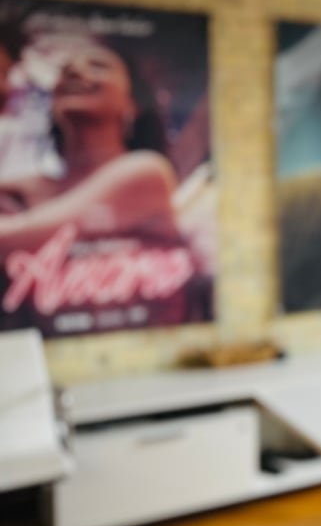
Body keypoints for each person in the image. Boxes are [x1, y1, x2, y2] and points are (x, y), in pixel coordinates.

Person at [0, 34, 207, 331]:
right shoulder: (29, 188)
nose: (76, 72)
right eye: (66, 69)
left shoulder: (145, 171)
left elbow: (15, 238)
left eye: (98, 66)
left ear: (131, 103)